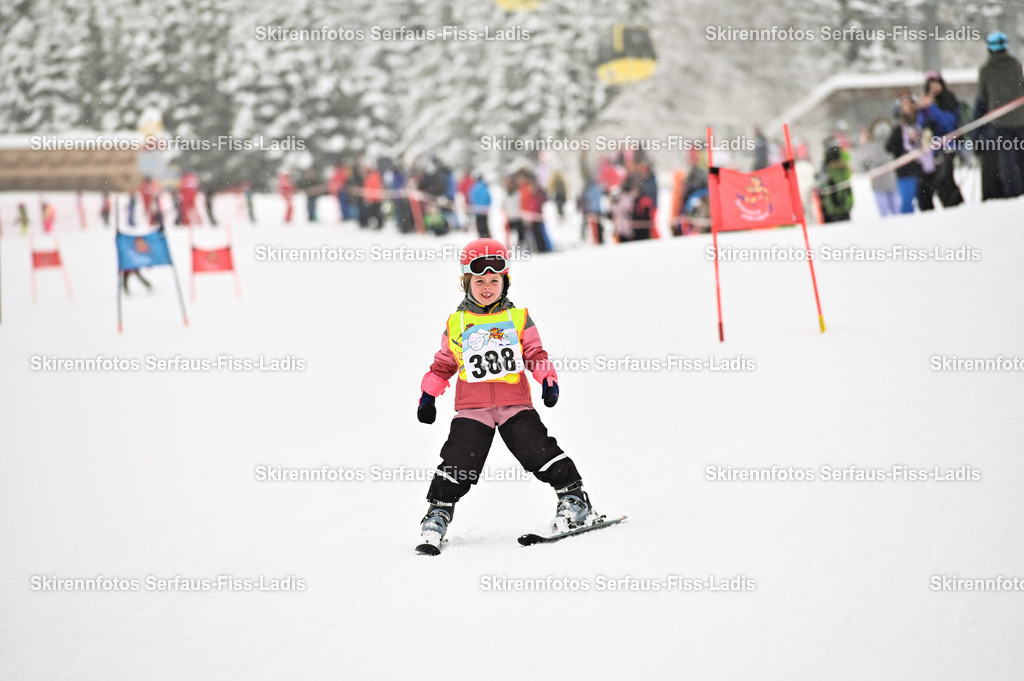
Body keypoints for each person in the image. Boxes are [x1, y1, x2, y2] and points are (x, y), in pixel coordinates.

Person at [414, 238, 598, 552]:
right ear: (466, 283)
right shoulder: (457, 323)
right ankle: (439, 511)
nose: (487, 287)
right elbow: (444, 363)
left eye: (494, 280)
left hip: (515, 404)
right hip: (473, 408)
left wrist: (547, 380)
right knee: (459, 458)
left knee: (537, 449)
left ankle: (574, 498)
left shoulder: (518, 318)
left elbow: (535, 353)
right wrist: (428, 396)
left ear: (505, 281)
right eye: (479, 281)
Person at [977, 30, 1024, 198]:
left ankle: (1013, 194)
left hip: (1000, 123)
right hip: (1020, 121)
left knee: (1006, 161)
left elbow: (983, 96)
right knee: (1021, 157)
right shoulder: (1016, 65)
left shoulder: (986, 69)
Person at [916, 71, 964, 207]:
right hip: (933, 149)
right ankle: (952, 206)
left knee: (944, 178)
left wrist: (931, 107)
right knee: (937, 181)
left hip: (948, 145)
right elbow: (922, 124)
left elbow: (948, 123)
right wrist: (923, 109)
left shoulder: (948, 98)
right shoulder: (927, 101)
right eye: (930, 85)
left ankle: (955, 205)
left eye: (935, 84)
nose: (933, 88)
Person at [886, 93, 926, 214]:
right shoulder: (898, 129)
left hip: (923, 169)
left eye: (910, 104)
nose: (908, 108)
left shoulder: (923, 124)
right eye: (905, 105)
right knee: (907, 204)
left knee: (925, 202)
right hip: (905, 172)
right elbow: (889, 147)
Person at [861, 120, 900, 217]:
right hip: (892, 179)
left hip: (877, 180)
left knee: (883, 211)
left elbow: (866, 161)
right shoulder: (893, 141)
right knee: (897, 209)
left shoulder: (871, 144)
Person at [818, 141, 853, 223]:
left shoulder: (826, 169)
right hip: (844, 206)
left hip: (833, 208)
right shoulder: (844, 167)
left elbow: (822, 183)